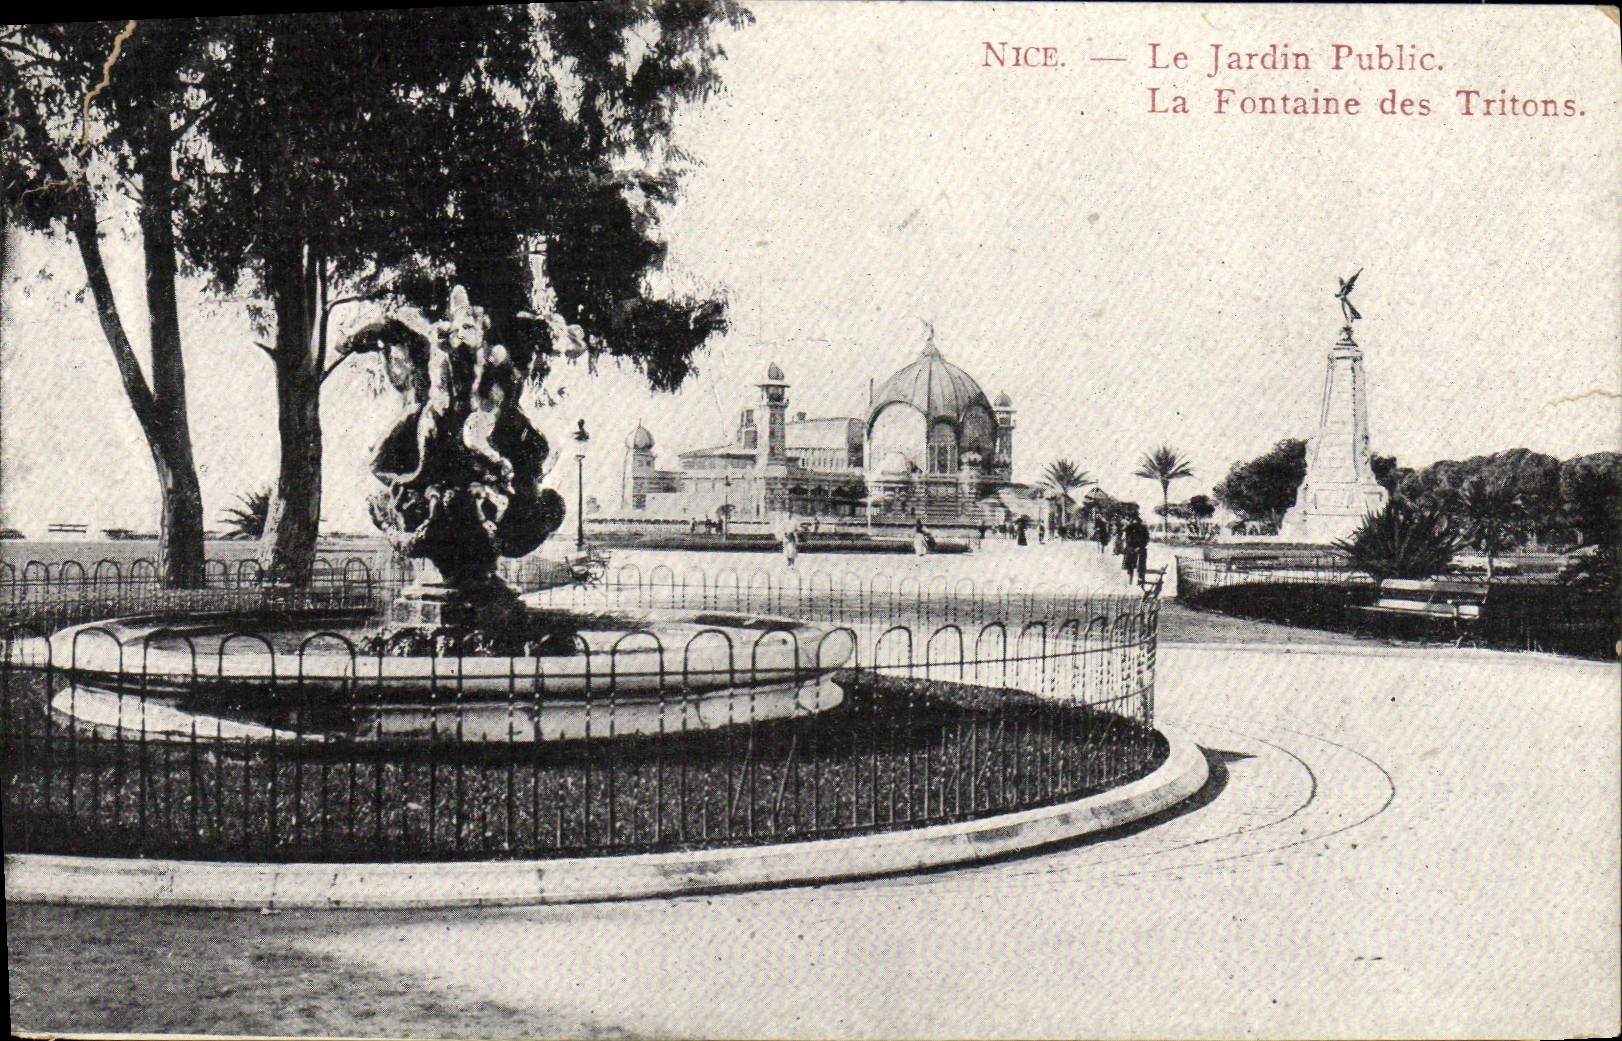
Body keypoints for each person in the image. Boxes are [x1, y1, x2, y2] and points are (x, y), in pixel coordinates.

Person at [1122, 508, 1151, 586]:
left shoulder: (1137, 525)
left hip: (1137, 546)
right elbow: (1127, 537)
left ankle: (1137, 578)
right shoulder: (1131, 525)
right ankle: (1137, 578)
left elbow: (1146, 538)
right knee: (1135, 560)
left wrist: (1139, 546)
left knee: (1139, 560)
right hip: (1135, 546)